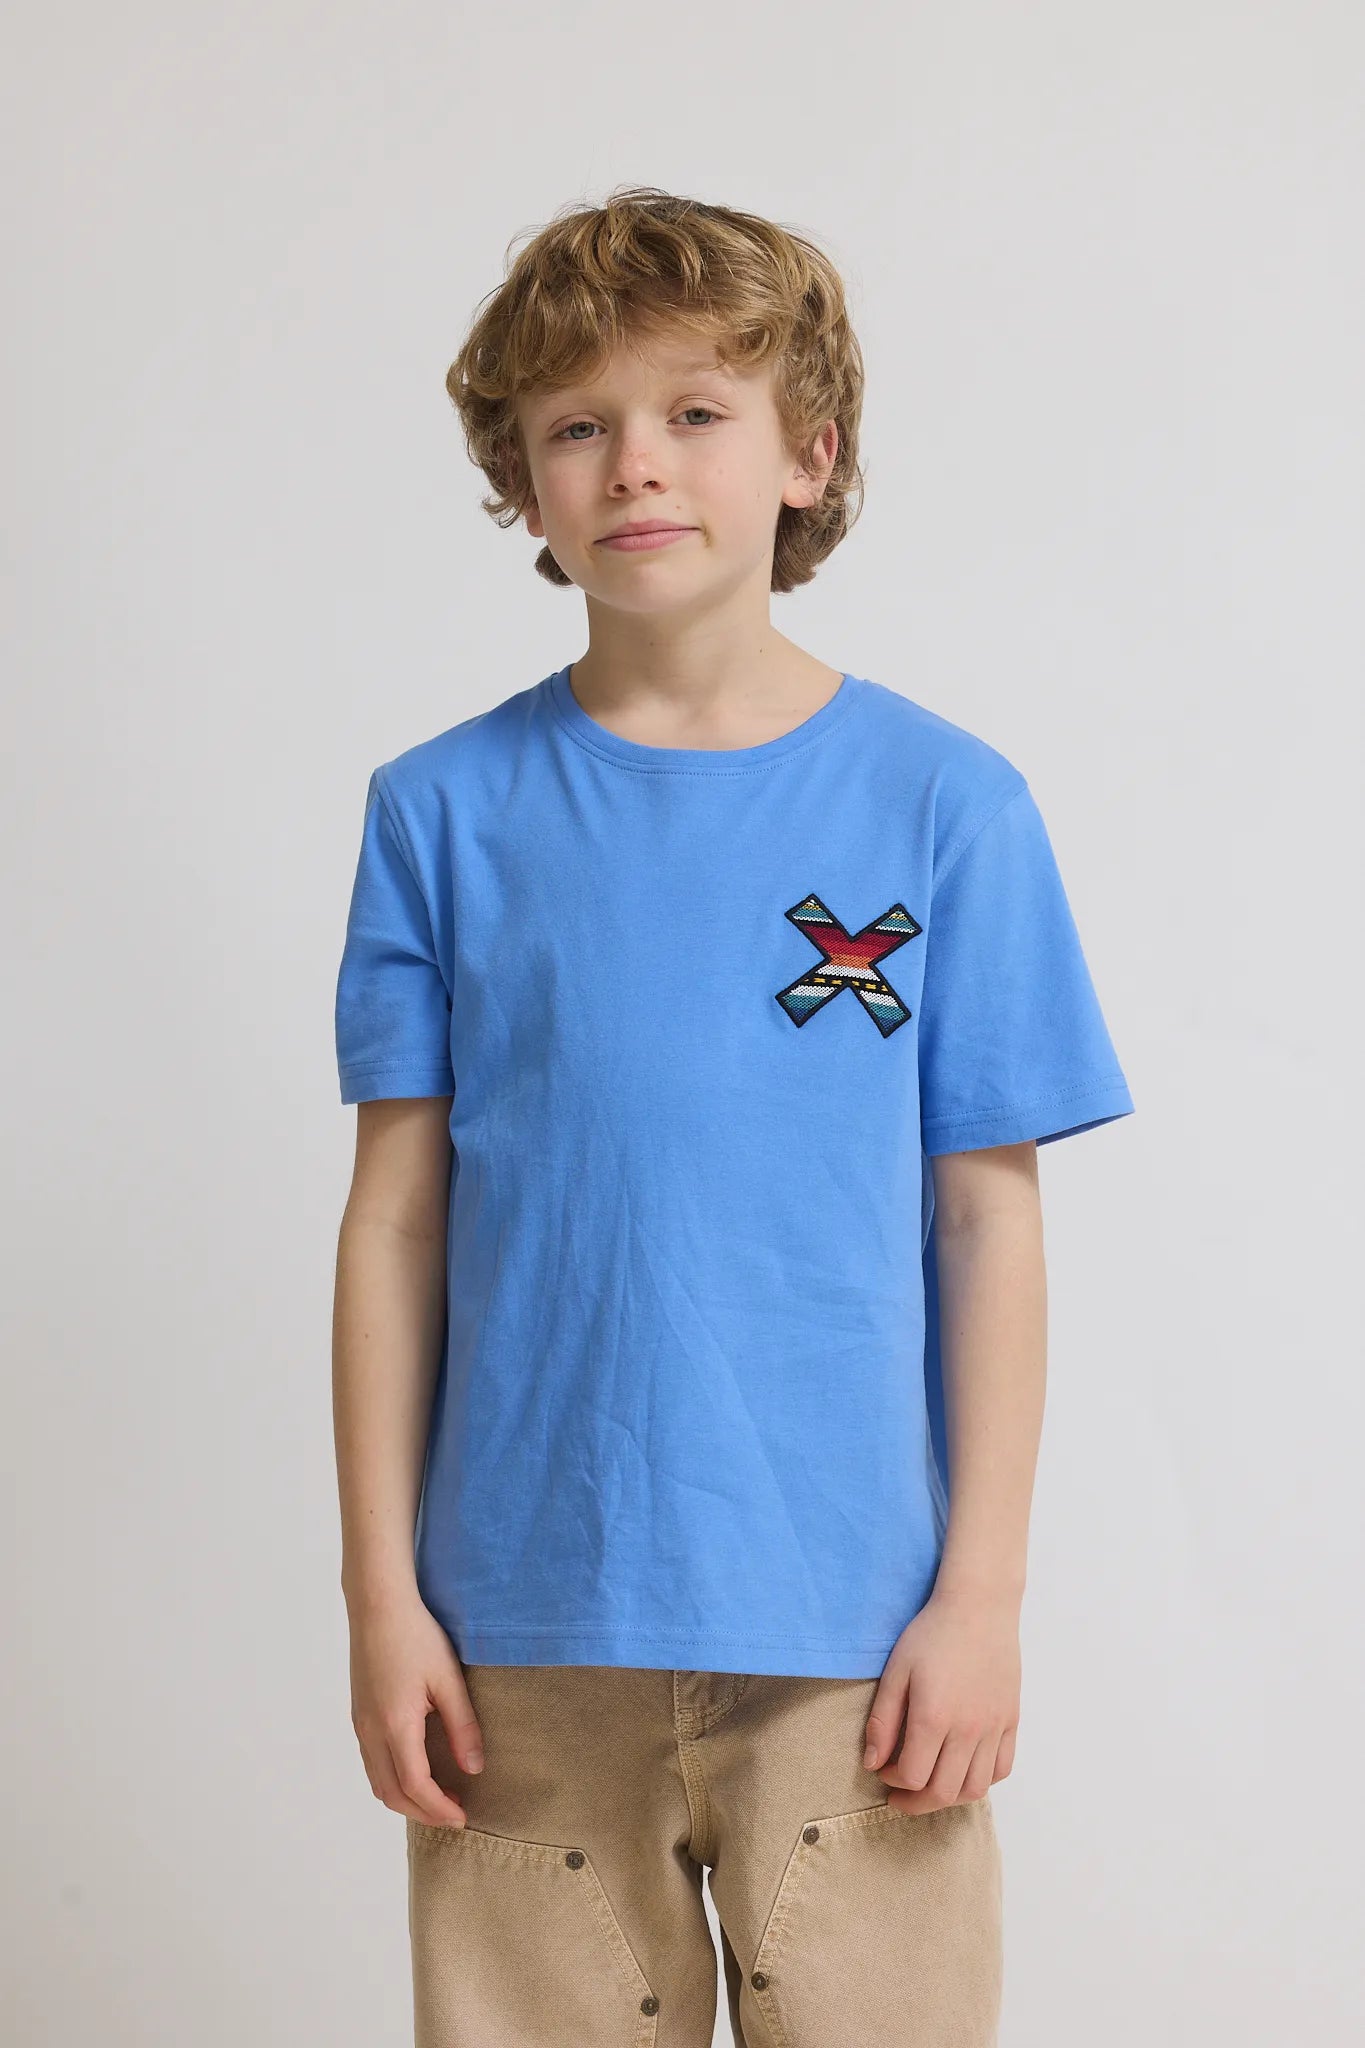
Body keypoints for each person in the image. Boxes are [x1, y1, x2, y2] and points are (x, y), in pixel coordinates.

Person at [331, 184, 1135, 2048]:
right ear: (523, 483)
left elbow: (985, 1220)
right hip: (518, 1632)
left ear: (808, 454)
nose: (635, 463)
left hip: (856, 1641)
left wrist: (980, 1597)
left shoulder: (948, 806)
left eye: (696, 411)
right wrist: (381, 1597)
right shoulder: (438, 813)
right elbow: (395, 1221)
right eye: (576, 425)